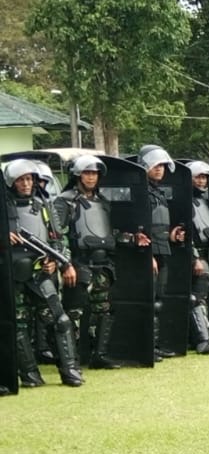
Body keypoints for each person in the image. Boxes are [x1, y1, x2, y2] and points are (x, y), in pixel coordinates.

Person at [56, 155, 145, 369]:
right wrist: (65, 264)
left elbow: (108, 233)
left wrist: (131, 239)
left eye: (94, 173)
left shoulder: (103, 202)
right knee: (74, 312)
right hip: (78, 263)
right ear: (77, 175)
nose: (91, 177)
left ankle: (99, 355)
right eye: (87, 173)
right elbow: (57, 235)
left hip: (103, 264)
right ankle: (70, 360)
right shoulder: (65, 201)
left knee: (103, 310)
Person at [6, 160, 84, 387]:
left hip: (41, 273)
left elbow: (58, 239)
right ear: (11, 182)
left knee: (59, 320)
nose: (26, 184)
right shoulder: (3, 209)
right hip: (12, 276)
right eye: (20, 180)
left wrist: (57, 261)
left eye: (29, 179)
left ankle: (70, 370)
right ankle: (29, 375)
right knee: (18, 325)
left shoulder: (44, 206)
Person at [143, 147, 185, 359]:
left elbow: (159, 225)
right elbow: (140, 225)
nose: (159, 169)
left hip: (163, 250)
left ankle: (155, 344)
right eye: (155, 165)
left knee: (159, 300)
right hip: (147, 254)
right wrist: (148, 255)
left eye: (162, 166)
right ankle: (147, 346)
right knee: (149, 301)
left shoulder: (159, 192)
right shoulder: (141, 192)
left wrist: (172, 236)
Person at [186, 162, 209, 354]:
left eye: (204, 177)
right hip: (197, 256)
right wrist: (195, 258)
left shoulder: (203, 201)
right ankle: (201, 339)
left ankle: (204, 336)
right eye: (198, 177)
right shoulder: (185, 201)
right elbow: (187, 231)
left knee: (202, 297)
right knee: (196, 298)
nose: (202, 181)